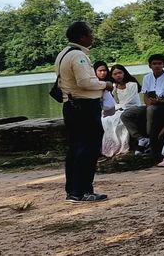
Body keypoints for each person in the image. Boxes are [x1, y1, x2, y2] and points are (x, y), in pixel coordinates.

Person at [54, 21, 111, 203]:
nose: (92, 36)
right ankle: (83, 190)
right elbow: (85, 82)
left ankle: (73, 190)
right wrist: (106, 85)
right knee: (88, 148)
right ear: (81, 37)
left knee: (76, 149)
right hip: (84, 107)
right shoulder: (78, 55)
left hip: (70, 106)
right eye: (90, 33)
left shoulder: (63, 54)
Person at [121, 53, 164, 158]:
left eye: (159, 63)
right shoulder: (147, 78)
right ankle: (141, 138)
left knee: (151, 110)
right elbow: (145, 95)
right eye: (154, 64)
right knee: (126, 114)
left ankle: (151, 138)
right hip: (150, 104)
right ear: (150, 66)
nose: (157, 66)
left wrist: (159, 101)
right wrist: (148, 103)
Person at [100, 64, 139, 158]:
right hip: (119, 109)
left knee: (117, 119)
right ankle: (111, 146)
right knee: (105, 119)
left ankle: (121, 146)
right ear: (112, 76)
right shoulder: (114, 86)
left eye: (120, 73)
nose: (118, 75)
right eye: (115, 74)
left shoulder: (132, 84)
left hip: (132, 107)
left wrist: (116, 108)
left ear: (124, 73)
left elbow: (130, 101)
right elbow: (114, 102)